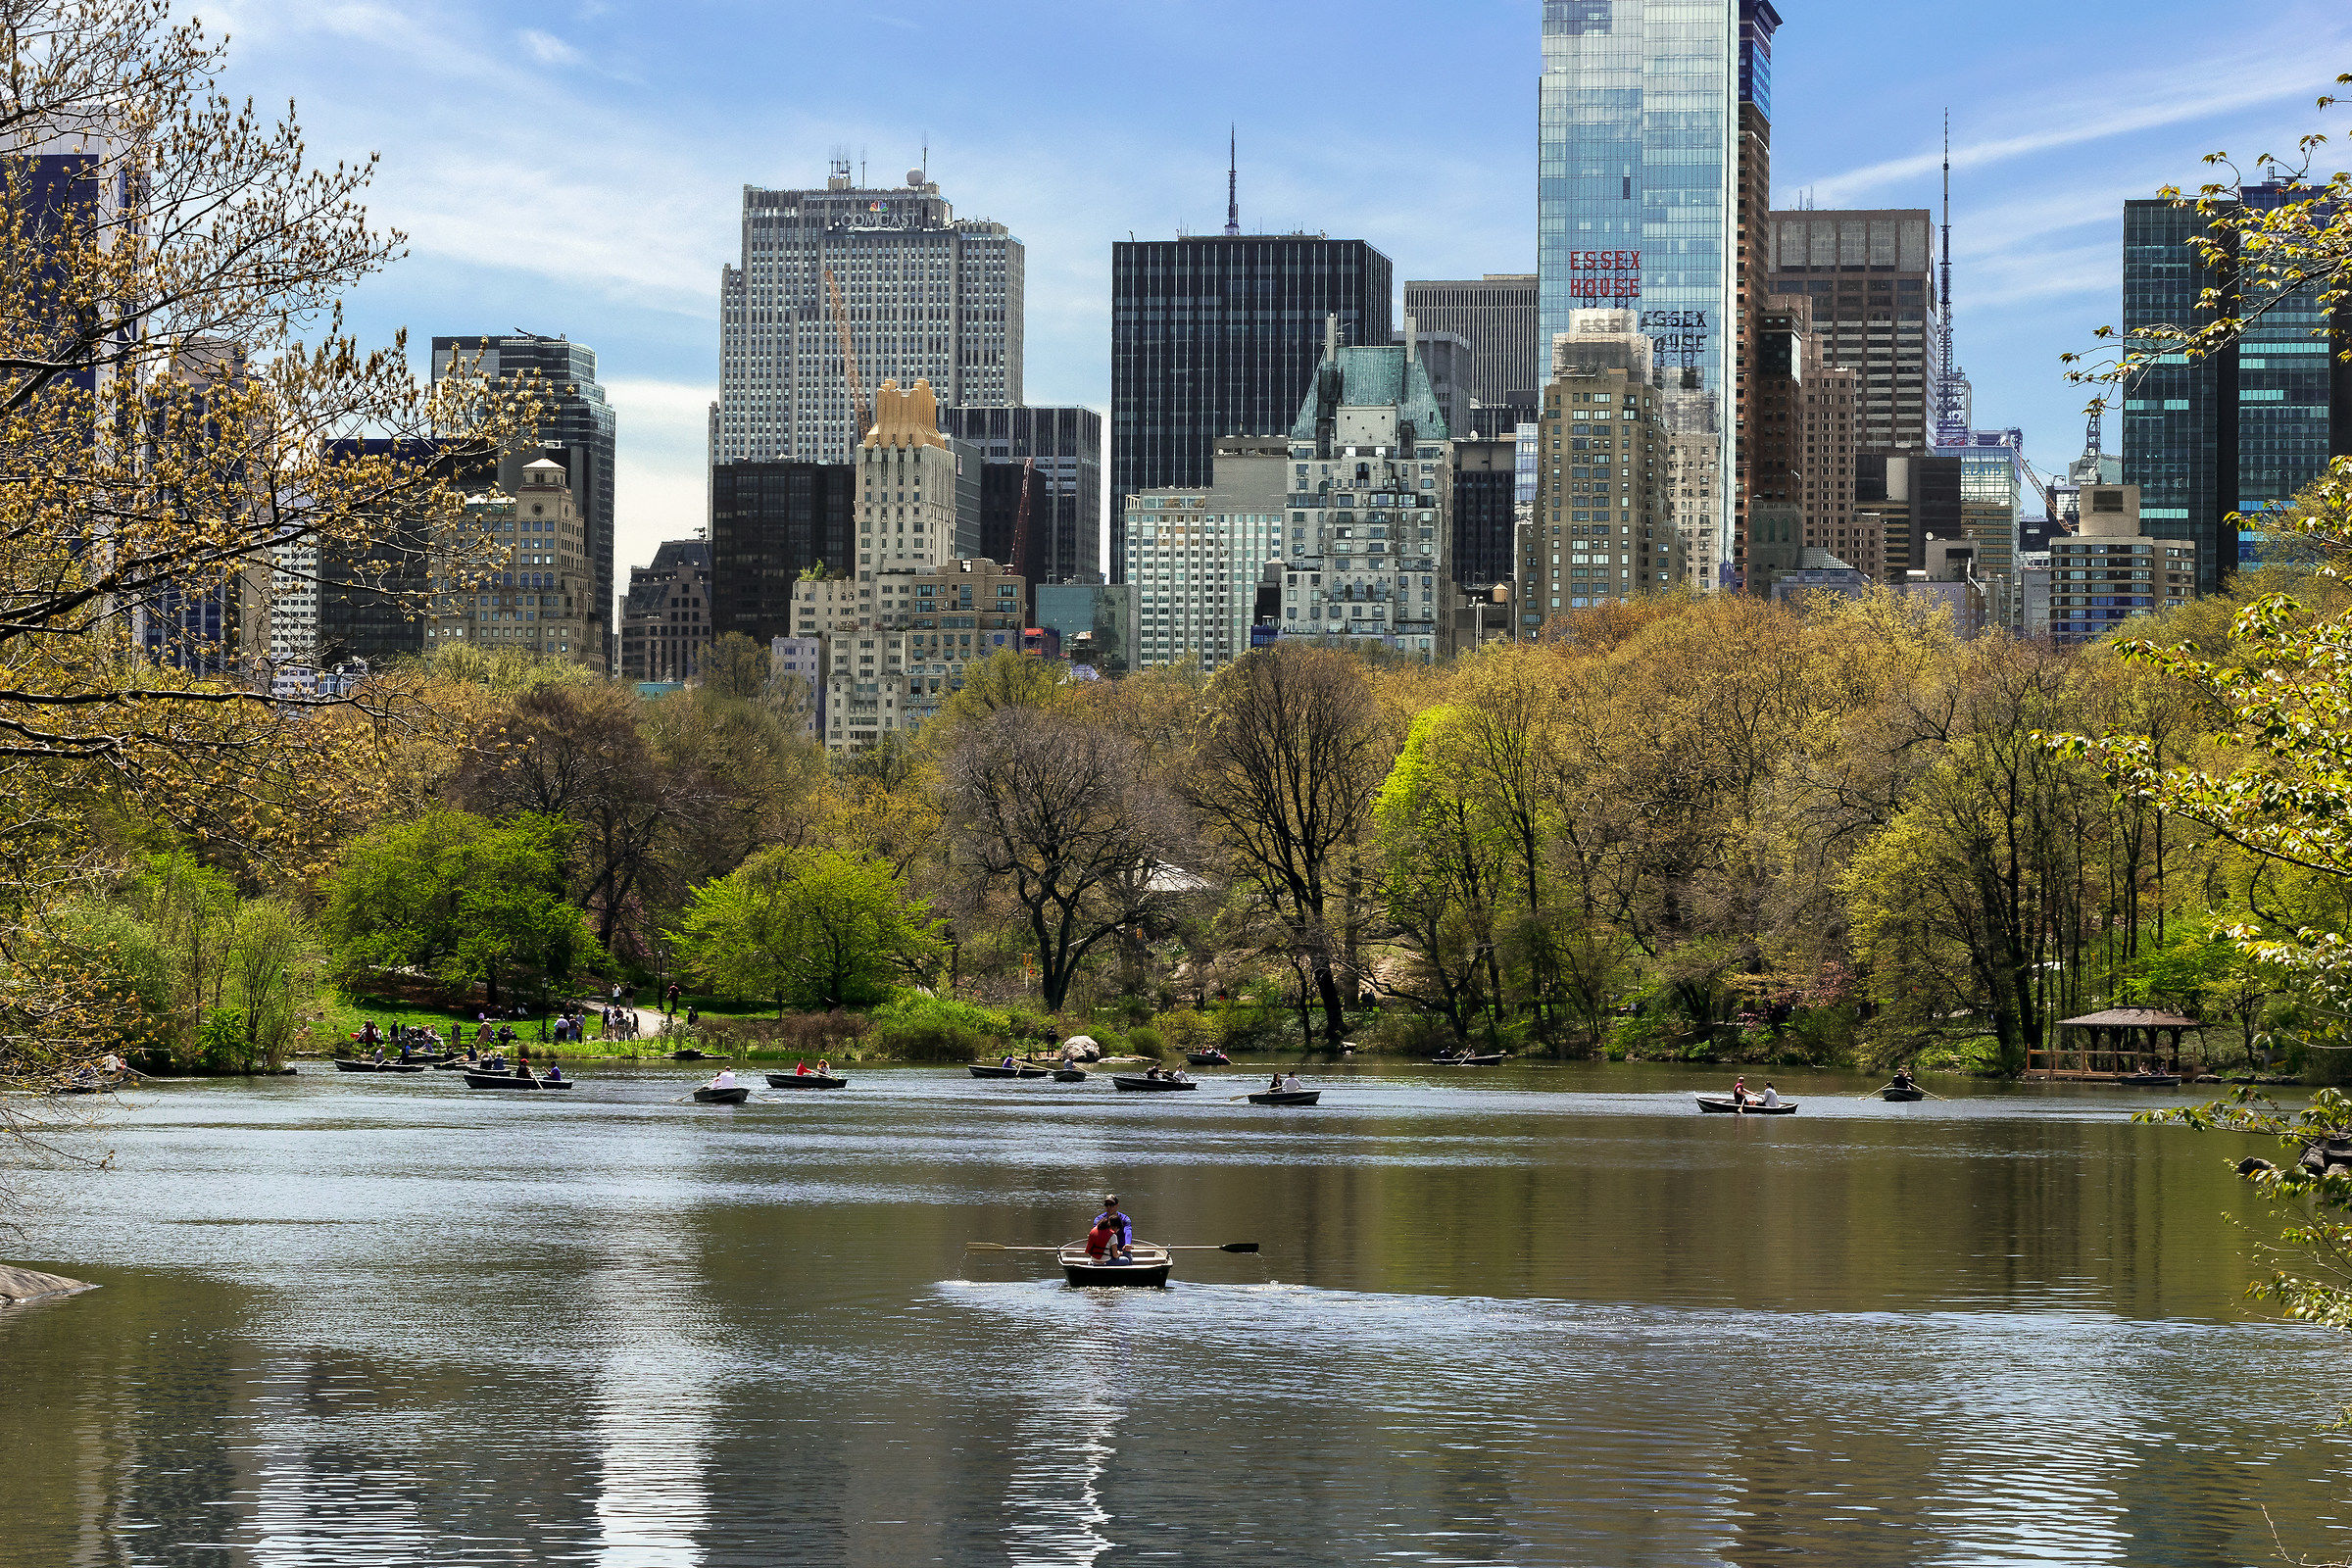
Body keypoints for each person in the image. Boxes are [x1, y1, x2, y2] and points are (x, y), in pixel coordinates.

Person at [1093, 1195, 1134, 1261]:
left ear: (1117, 1205)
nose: (1109, 1207)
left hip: (1121, 1248)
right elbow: (1096, 1234)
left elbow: (1128, 1231)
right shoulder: (1099, 1220)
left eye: (1112, 1204)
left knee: (1129, 1260)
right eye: (1107, 1205)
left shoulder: (1125, 1219)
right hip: (1105, 1250)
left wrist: (1127, 1243)